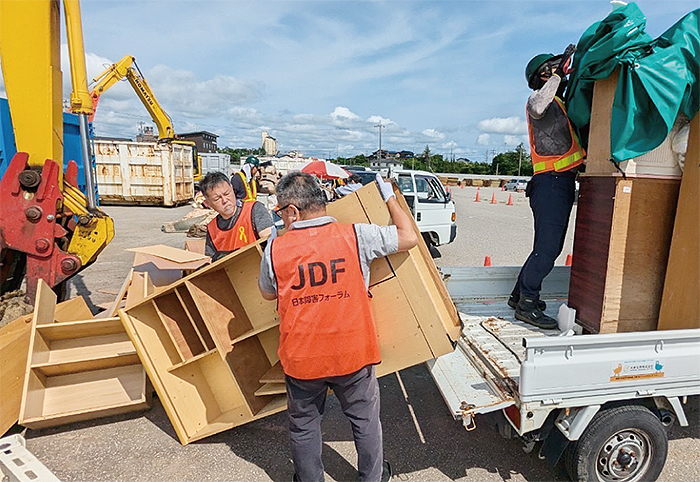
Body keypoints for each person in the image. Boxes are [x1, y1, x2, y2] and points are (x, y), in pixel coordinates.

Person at [258, 172, 417, 482]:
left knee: (304, 424)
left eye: (280, 211)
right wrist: (388, 197)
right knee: (365, 420)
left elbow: (267, 293)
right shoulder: (356, 236)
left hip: (302, 357)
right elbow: (408, 236)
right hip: (353, 352)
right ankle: (371, 477)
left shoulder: (275, 248)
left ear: (292, 210)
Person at [509, 44, 586, 329]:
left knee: (544, 247)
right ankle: (527, 304)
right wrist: (556, 75)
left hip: (558, 182)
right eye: (550, 68)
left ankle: (519, 296)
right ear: (542, 75)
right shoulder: (537, 100)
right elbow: (539, 104)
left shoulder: (560, 103)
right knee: (549, 249)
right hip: (551, 183)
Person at [200, 171, 273, 261]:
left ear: (232, 189)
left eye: (227, 193)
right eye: (217, 199)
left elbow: (270, 242)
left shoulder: (254, 210)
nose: (225, 200)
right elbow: (210, 261)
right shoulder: (212, 228)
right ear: (208, 203)